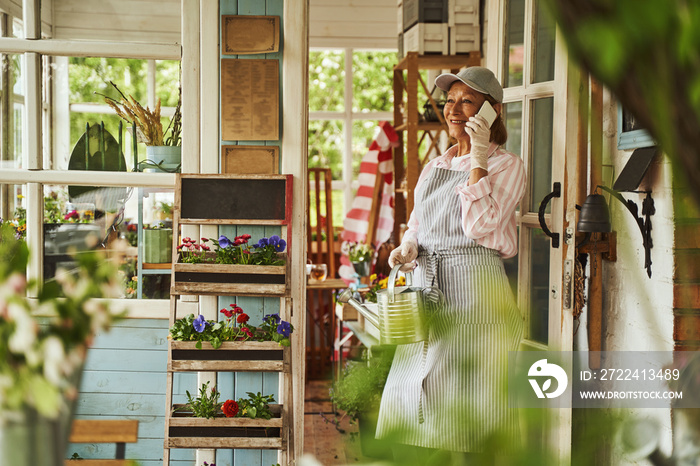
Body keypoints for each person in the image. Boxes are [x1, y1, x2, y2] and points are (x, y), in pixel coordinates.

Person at [375, 66, 526, 464]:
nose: (454, 109)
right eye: (450, 100)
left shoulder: (506, 165)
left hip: (475, 292)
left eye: (467, 101)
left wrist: (478, 155)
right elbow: (419, 224)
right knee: (411, 395)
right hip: (428, 287)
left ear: (491, 112)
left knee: (470, 403)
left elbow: (481, 226)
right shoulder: (435, 166)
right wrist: (408, 247)